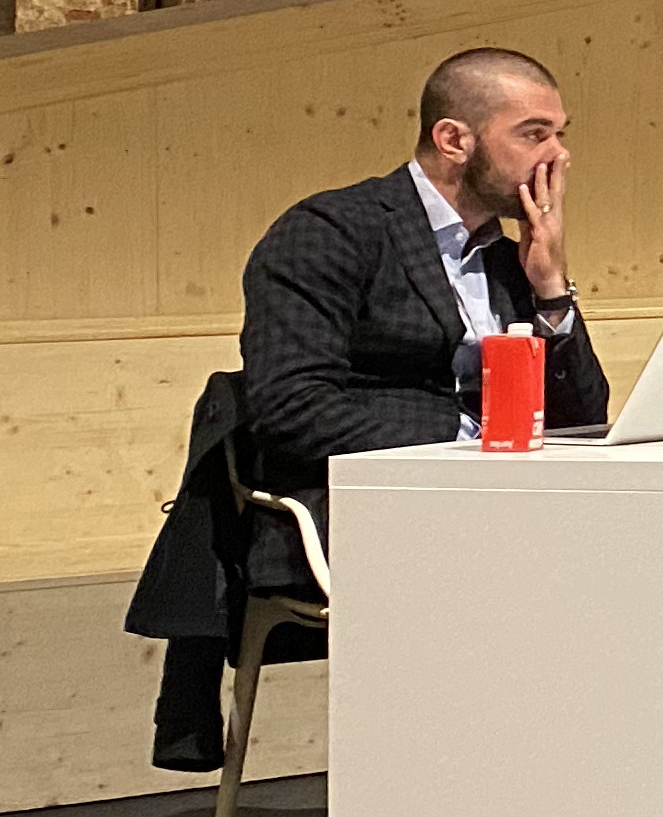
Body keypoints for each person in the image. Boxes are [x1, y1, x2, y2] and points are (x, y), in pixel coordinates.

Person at [238, 47, 610, 565]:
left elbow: (584, 418)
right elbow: (292, 409)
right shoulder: (331, 232)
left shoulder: (511, 259)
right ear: (454, 140)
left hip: (501, 506)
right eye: (534, 134)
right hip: (367, 510)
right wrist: (479, 437)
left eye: (559, 134)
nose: (559, 156)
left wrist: (550, 289)